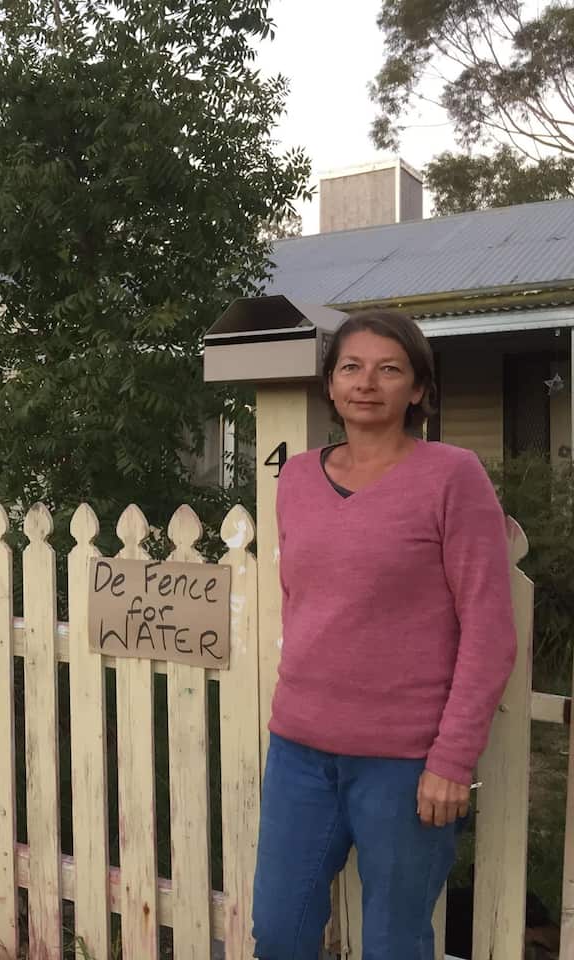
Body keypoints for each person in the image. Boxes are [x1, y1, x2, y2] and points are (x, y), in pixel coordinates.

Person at [251, 308, 518, 960]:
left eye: (389, 369)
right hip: (299, 752)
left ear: (419, 389)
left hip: (405, 764)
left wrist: (452, 759)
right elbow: (303, 602)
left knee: (396, 942)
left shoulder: (452, 476)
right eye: (351, 367)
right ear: (331, 385)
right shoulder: (296, 479)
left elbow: (488, 627)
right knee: (280, 934)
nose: (366, 382)